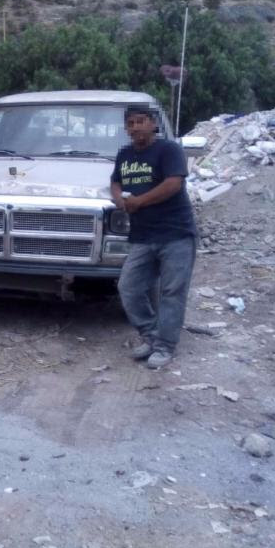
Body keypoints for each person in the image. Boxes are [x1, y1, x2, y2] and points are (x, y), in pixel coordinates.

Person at [110, 104, 198, 369]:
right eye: (130, 123)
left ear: (153, 124)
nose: (135, 127)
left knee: (172, 292)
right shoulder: (125, 154)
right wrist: (119, 198)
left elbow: (173, 184)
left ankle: (165, 346)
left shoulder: (169, 150)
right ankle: (150, 335)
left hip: (176, 233)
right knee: (128, 287)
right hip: (143, 236)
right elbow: (115, 181)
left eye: (141, 121)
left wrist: (139, 202)